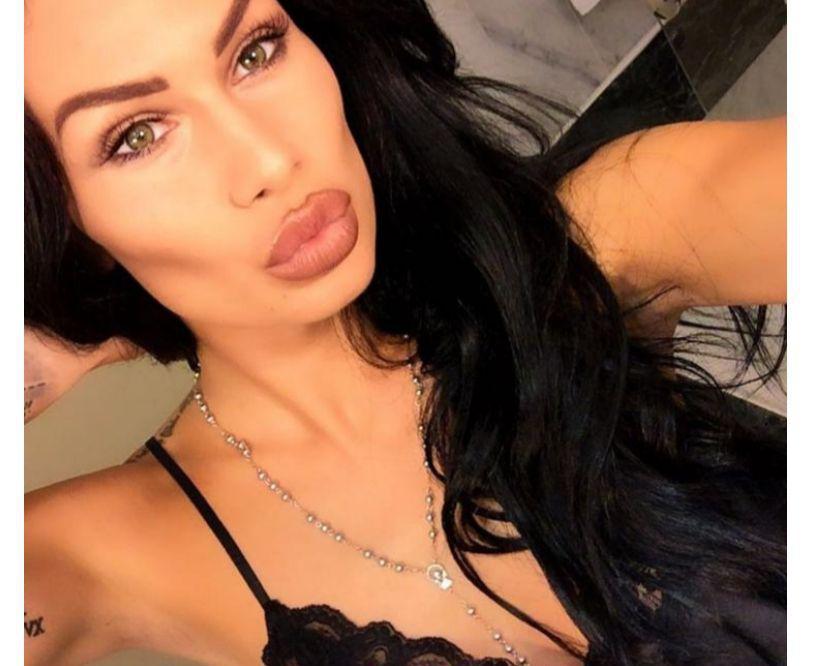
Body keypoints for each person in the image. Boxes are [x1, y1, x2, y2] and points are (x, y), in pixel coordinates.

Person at [23, 0, 786, 664]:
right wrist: (65, 323)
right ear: (62, 223)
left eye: (255, 51)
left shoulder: (587, 247)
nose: (270, 159)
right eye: (137, 136)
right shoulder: (104, 550)